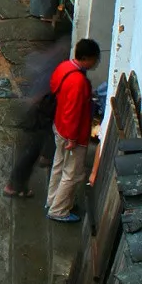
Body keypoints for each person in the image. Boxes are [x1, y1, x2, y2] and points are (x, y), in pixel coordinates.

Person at [3, 40, 71, 198]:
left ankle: (46, 157)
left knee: (37, 143)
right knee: (31, 149)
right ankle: (14, 185)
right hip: (39, 113)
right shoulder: (54, 67)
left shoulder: (43, 60)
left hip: (39, 111)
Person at [45, 38, 101, 223]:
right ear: (86, 58)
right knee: (73, 173)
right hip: (72, 133)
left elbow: (55, 88)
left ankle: (52, 200)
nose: (96, 62)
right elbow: (74, 112)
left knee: (58, 165)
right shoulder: (79, 81)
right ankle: (59, 210)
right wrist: (73, 138)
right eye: (95, 59)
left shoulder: (63, 68)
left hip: (59, 125)